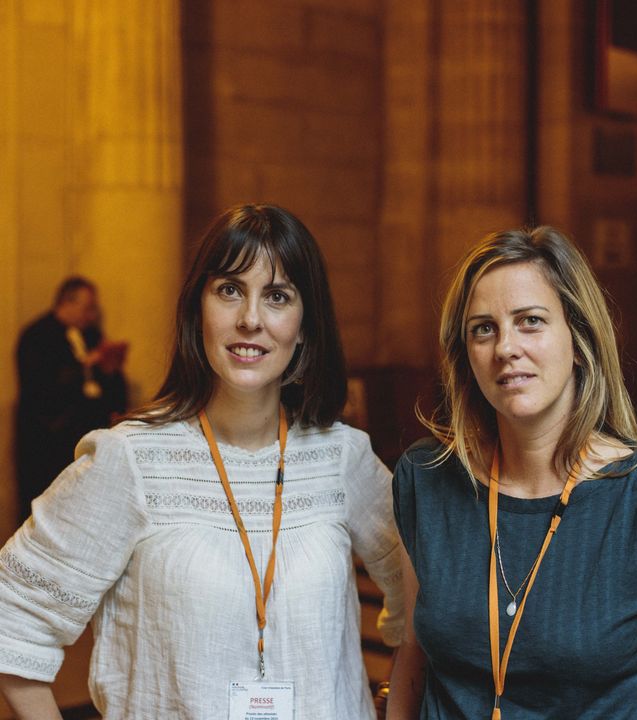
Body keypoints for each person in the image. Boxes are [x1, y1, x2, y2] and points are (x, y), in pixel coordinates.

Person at [0, 204, 403, 719]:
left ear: (305, 326)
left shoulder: (342, 456)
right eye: (229, 290)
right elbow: (14, 614)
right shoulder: (132, 459)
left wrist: (396, 703)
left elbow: (429, 602)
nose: (250, 319)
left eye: (277, 296)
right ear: (198, 309)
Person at [388, 226, 637, 719]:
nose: (505, 347)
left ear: (579, 338)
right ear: (466, 355)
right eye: (484, 328)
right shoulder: (427, 478)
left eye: (530, 321)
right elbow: (414, 658)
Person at [15, 276, 128, 523]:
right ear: (67, 302)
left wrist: (108, 369)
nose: (90, 316)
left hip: (84, 442)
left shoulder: (91, 336)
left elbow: (108, 387)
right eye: (87, 308)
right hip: (47, 444)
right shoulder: (37, 337)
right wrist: (86, 365)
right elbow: (42, 389)